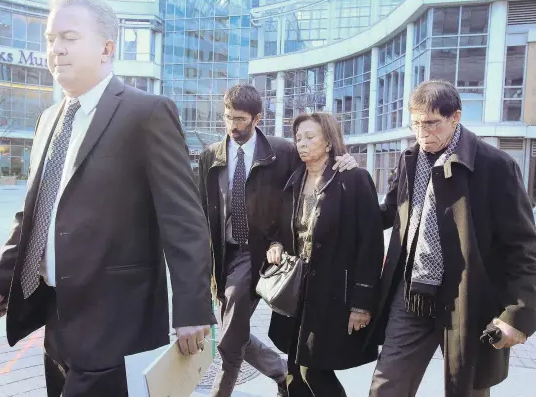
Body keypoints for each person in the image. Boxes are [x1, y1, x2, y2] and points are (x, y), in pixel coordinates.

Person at [0, 0, 216, 396]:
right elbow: (35, 213)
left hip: (118, 324)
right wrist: (0, 282)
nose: (56, 49)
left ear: (107, 49)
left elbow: (184, 221)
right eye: (51, 38)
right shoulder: (48, 119)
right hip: (57, 321)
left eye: (70, 37)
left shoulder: (147, 113)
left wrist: (192, 310)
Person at [368, 80, 536, 397]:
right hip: (412, 293)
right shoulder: (408, 161)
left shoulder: (495, 166)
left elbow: (524, 247)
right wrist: (346, 189)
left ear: (455, 117)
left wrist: (518, 314)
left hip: (467, 299)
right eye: (416, 124)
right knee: (386, 386)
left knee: (466, 389)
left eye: (432, 123)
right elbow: (388, 213)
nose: (422, 134)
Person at [198, 85, 356, 397]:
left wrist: (345, 163)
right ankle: (281, 373)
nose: (233, 125)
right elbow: (202, 212)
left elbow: (318, 171)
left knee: (230, 339)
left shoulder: (282, 152)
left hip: (260, 253)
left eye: (240, 119)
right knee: (234, 331)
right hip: (223, 256)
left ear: (257, 118)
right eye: (228, 117)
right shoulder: (210, 157)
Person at [265, 112, 384, 396]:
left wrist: (362, 304)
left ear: (329, 142)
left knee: (313, 371)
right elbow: (278, 228)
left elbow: (370, 244)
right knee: (295, 372)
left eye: (310, 137)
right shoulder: (294, 179)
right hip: (296, 293)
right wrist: (275, 245)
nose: (302, 143)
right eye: (298, 138)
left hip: (332, 295)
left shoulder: (353, 179)